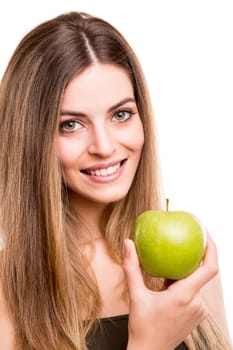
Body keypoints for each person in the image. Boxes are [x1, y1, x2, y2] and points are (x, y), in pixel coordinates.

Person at [0, 11, 232, 350]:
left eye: (121, 114)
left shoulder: (190, 255)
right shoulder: (8, 289)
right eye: (71, 124)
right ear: (30, 140)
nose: (105, 146)